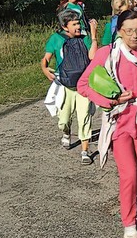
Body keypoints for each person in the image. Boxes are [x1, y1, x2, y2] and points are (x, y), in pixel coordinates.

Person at [78, 10, 137, 238]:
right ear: (119, 31)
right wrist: (111, 101)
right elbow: (83, 84)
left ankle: (136, 193)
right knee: (127, 175)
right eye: (129, 30)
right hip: (120, 121)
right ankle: (129, 221)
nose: (135, 35)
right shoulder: (108, 53)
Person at [41, 9, 98, 164]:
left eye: (78, 23)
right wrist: (45, 69)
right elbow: (45, 59)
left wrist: (93, 36)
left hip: (84, 85)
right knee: (64, 120)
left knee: (84, 116)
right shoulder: (56, 39)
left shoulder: (85, 38)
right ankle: (66, 133)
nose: (78, 26)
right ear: (65, 27)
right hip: (65, 85)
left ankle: (85, 151)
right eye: (74, 24)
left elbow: (93, 56)